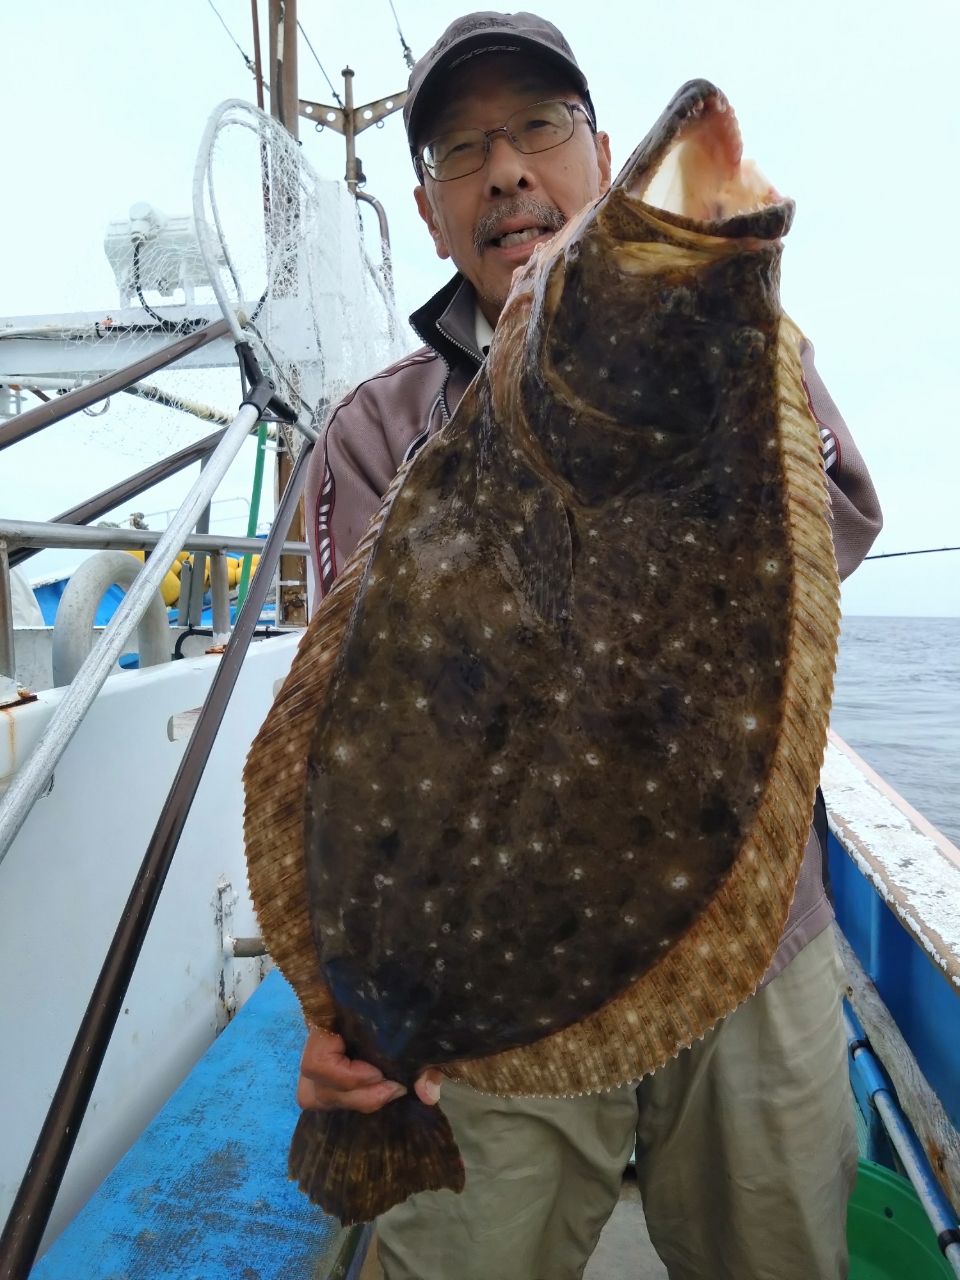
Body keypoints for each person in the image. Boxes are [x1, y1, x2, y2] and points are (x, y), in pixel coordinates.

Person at [298, 12, 884, 1280]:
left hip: (747, 926)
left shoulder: (735, 356)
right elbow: (350, 736)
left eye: (540, 127)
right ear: (430, 210)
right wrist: (340, 1006)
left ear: (602, 157)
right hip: (494, 977)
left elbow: (833, 533)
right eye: (464, 150)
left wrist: (716, 323)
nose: (508, 169)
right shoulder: (373, 431)